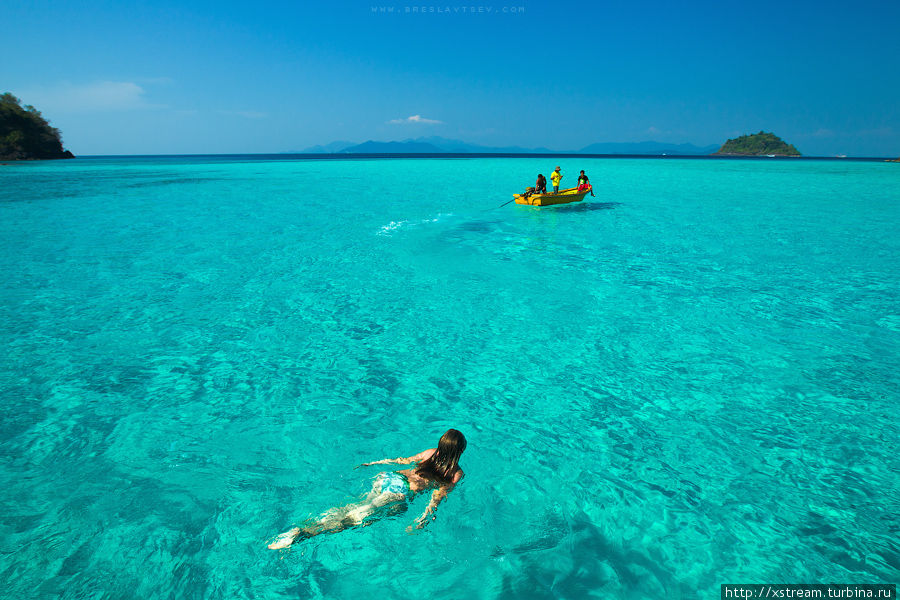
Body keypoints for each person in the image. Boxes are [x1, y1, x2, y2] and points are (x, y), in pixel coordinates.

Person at [267, 429, 467, 549]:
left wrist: (373, 463)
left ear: (441, 443)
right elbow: (436, 497)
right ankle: (304, 534)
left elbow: (400, 461)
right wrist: (423, 518)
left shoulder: (430, 453)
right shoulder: (456, 473)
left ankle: (305, 526)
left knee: (351, 508)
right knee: (357, 518)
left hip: (388, 478)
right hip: (398, 492)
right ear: (459, 452)